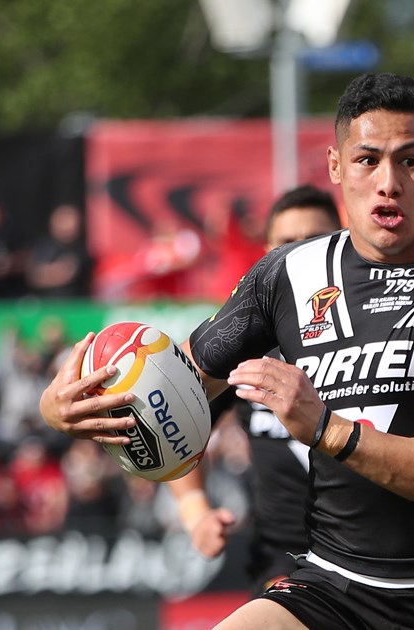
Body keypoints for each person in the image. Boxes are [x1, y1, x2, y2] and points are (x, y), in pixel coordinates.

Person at [38, 73, 414, 629]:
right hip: (329, 581)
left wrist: (324, 426)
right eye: (367, 160)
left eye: (408, 160)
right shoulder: (279, 288)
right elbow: (179, 400)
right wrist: (67, 411)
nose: (387, 180)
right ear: (338, 168)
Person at [166, 184, 342, 592]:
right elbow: (178, 416)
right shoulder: (245, 340)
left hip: (376, 555)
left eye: (315, 241)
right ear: (266, 253)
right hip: (282, 562)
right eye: (285, 244)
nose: (298, 255)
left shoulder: (378, 332)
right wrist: (195, 511)